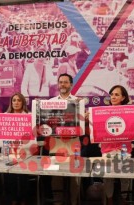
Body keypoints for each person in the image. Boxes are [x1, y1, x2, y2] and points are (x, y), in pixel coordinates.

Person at [49, 73, 81, 205]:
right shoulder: (50, 103)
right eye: (60, 82)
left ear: (71, 85)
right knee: (55, 173)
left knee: (75, 174)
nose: (62, 84)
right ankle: (57, 202)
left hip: (74, 142)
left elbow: (83, 122)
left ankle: (74, 202)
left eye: (65, 82)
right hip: (56, 142)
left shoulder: (79, 102)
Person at [4, 92, 36, 205]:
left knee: (23, 175)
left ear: (23, 103)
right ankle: (13, 198)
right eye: (14, 100)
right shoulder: (5, 115)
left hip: (25, 151)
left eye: (19, 100)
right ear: (11, 103)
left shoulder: (30, 116)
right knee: (10, 175)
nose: (16, 103)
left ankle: (23, 199)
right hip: (10, 150)